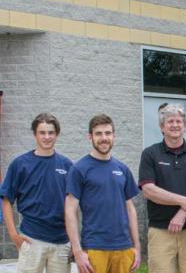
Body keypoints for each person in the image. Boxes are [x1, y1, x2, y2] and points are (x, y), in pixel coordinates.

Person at [65, 114, 141, 273]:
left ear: (114, 136)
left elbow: (130, 209)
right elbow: (70, 211)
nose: (104, 138)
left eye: (108, 133)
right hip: (94, 247)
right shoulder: (79, 169)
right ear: (90, 137)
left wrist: (137, 247)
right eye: (98, 134)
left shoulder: (123, 169)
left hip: (124, 247)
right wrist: (77, 251)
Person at [139, 103, 186, 273]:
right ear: (162, 127)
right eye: (170, 121)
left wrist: (182, 213)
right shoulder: (150, 154)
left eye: (179, 121)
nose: (175, 125)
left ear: (185, 126)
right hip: (160, 231)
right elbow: (149, 190)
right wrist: (184, 201)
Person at [0, 113, 72, 273]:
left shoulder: (67, 165)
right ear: (35, 134)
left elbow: (73, 205)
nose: (47, 137)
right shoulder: (20, 164)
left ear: (57, 134)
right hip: (32, 240)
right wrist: (14, 235)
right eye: (42, 132)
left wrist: (74, 240)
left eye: (51, 132)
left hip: (61, 242)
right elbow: (6, 199)